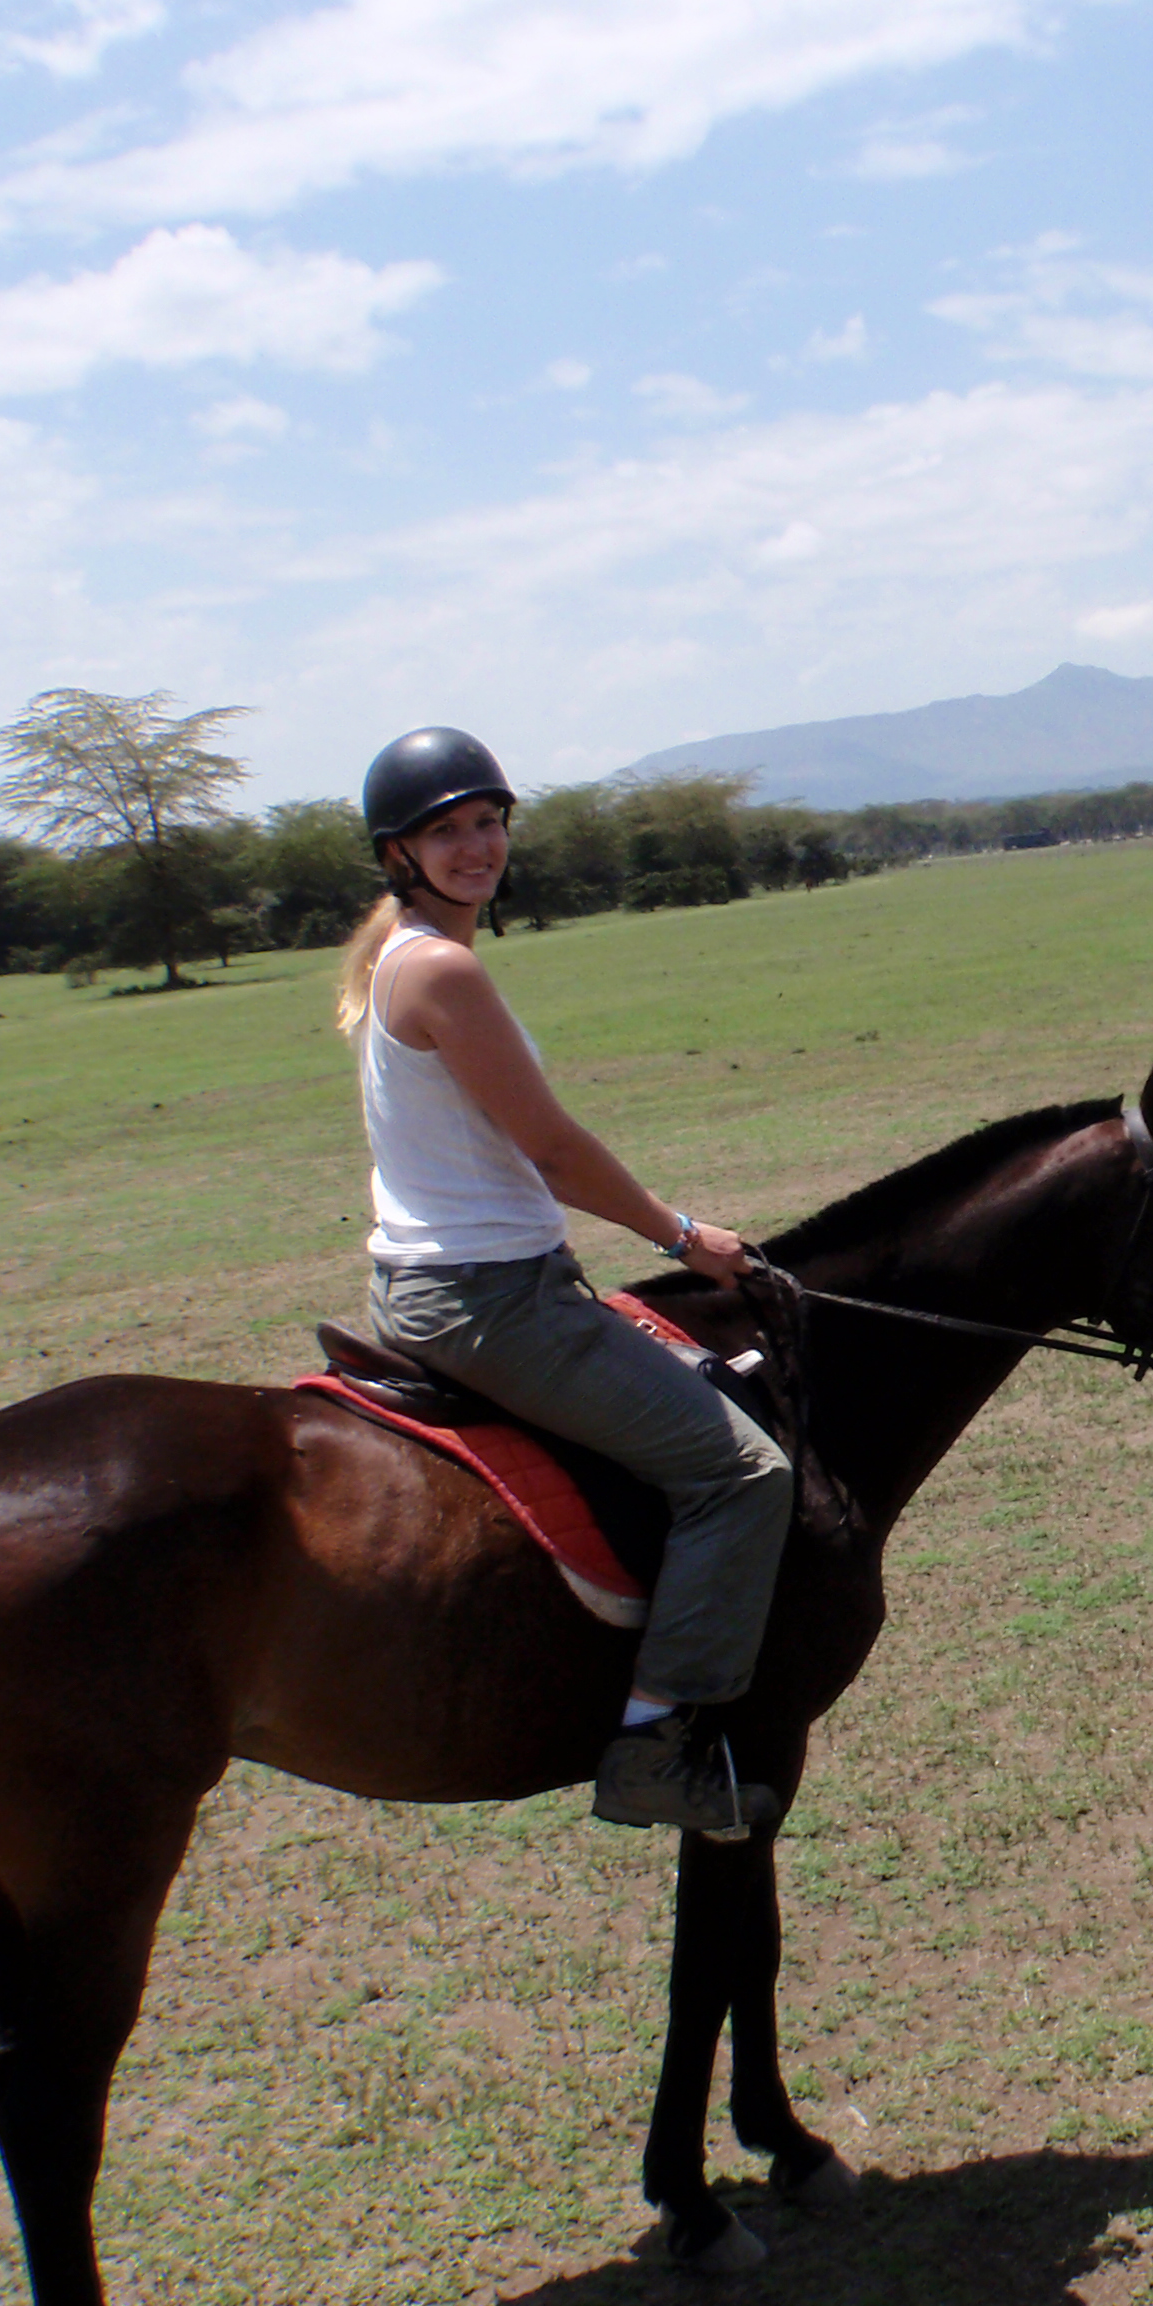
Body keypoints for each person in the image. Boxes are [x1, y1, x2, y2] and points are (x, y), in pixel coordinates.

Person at [336, 727, 796, 1838]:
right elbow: (550, 1147)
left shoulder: (399, 956)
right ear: (397, 853)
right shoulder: (441, 968)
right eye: (445, 831)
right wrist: (679, 1233)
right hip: (490, 1298)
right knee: (742, 1474)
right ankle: (650, 1749)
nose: (476, 845)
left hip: (447, 1278)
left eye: (487, 821)